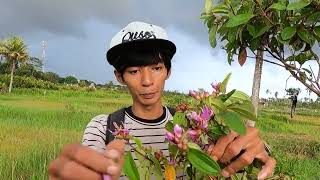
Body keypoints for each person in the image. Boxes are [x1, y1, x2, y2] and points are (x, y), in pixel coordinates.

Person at [48, 21, 276, 180]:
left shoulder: (194, 125)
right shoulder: (103, 128)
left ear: (168, 71)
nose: (147, 81)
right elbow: (90, 167)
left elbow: (240, 150)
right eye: (134, 71)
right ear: (119, 77)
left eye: (156, 68)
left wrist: (258, 150)